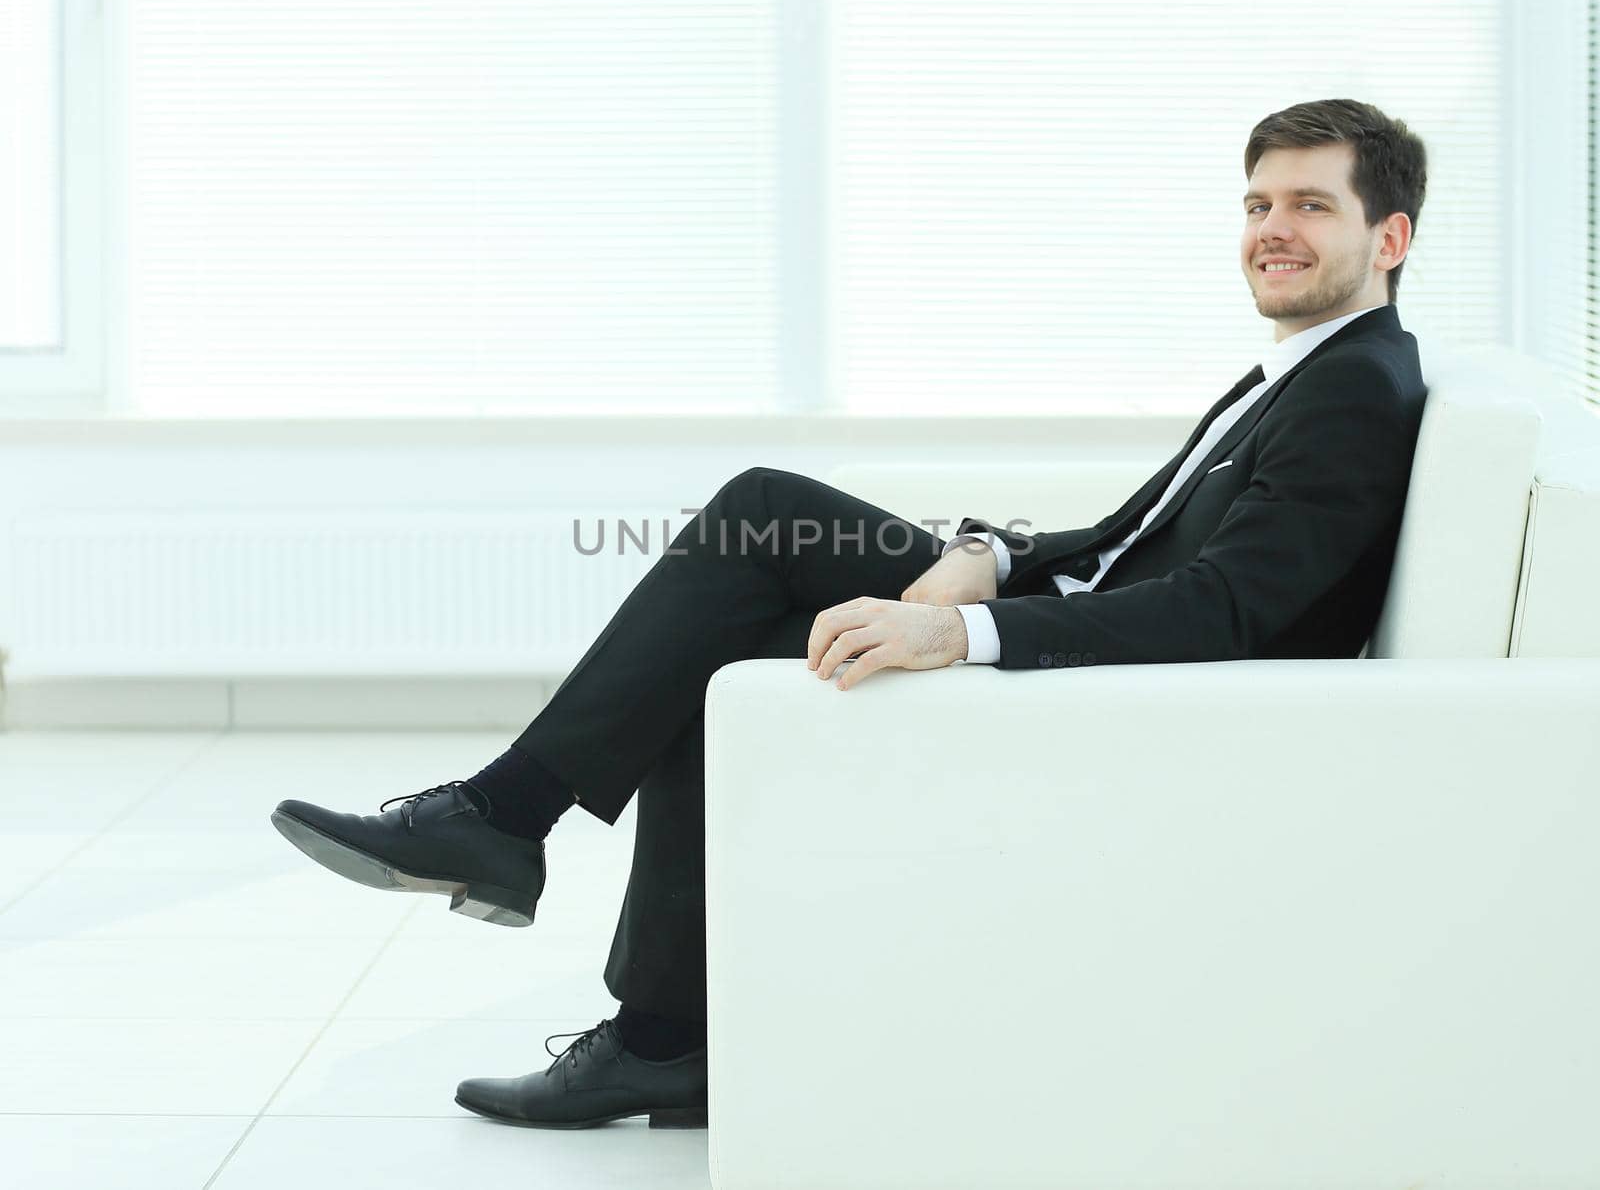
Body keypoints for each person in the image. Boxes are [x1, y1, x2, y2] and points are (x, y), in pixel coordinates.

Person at [270, 96, 1428, 1132]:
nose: (1270, 226)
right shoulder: (1308, 367)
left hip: (1130, 696)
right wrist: (989, 552)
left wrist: (959, 629)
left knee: (762, 517)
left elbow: (1224, 609)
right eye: (1257, 200)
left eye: (1309, 205)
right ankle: (650, 1031)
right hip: (1090, 632)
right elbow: (1136, 544)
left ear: (1388, 238)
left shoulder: (1356, 392)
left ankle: (523, 853)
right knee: (728, 623)